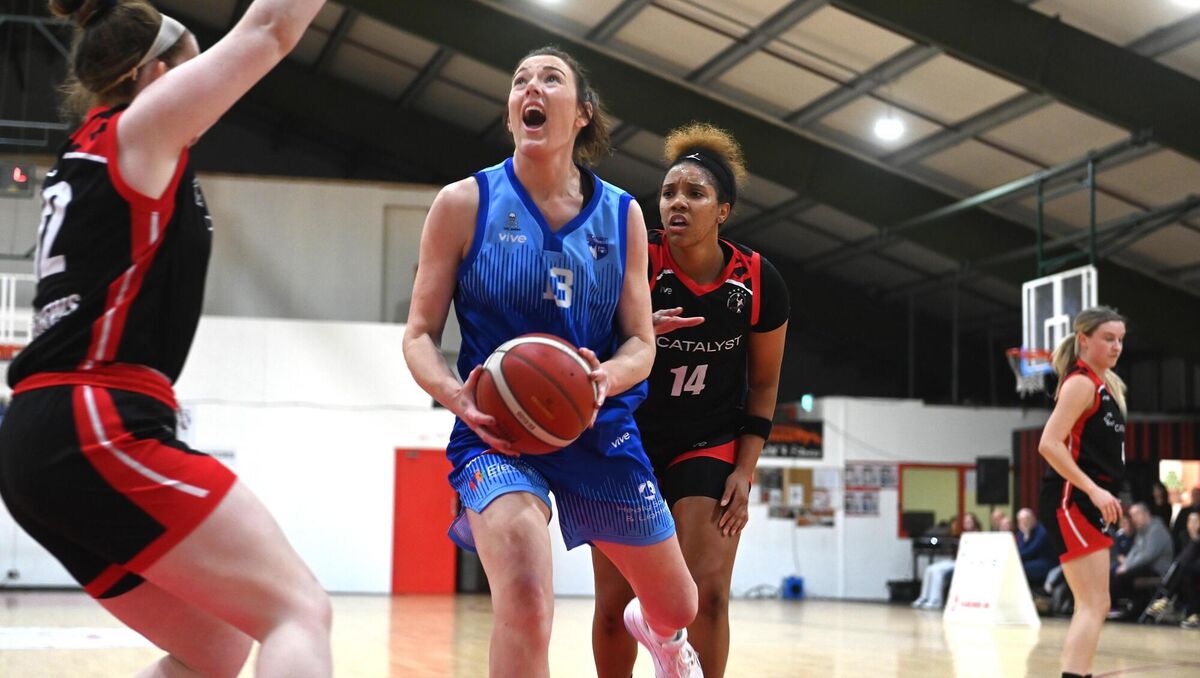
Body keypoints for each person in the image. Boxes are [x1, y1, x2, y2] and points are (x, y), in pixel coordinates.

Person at [0, 2, 332, 676]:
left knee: (215, 648)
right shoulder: (140, 130)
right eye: (193, 67)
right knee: (298, 609)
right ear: (153, 75)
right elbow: (269, 29)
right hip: (93, 418)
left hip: (44, 436)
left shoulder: (95, 149)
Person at [401, 46, 700, 678]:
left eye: (550, 79)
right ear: (512, 112)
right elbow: (419, 335)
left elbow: (641, 343)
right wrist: (455, 396)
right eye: (520, 81)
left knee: (680, 603)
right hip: (497, 431)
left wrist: (604, 377)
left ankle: (661, 634)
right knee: (527, 600)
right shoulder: (463, 203)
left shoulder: (622, 214)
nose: (531, 88)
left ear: (583, 113)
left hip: (597, 424)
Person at [589, 123, 789, 678]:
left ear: (723, 211)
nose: (677, 202)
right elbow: (588, 349)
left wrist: (745, 471)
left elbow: (764, 384)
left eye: (695, 194)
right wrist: (635, 334)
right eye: (669, 192)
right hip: (627, 436)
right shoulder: (635, 260)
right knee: (615, 604)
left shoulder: (759, 281)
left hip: (709, 439)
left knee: (709, 595)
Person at [1037, 306, 1127, 678]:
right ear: (1084, 340)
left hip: (1088, 500)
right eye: (1108, 338)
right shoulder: (1081, 383)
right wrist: (1093, 490)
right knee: (1092, 603)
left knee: (1095, 603)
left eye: (1120, 339)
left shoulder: (1105, 385)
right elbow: (1048, 444)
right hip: (1070, 499)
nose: (1116, 346)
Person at [1111, 502, 1173, 612]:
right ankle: (1119, 607)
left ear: (1146, 513)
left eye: (1136, 514)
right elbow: (1134, 550)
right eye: (1132, 516)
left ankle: (1115, 606)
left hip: (1157, 570)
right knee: (1114, 570)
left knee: (1123, 576)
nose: (1134, 519)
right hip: (1145, 567)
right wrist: (1126, 564)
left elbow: (1148, 555)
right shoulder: (1142, 530)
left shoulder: (1156, 529)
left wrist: (1127, 566)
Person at [911, 513, 980, 609]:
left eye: (969, 521)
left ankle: (936, 600)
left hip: (966, 563)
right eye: (965, 521)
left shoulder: (976, 534)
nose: (966, 523)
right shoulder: (958, 533)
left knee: (938, 572)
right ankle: (924, 597)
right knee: (930, 569)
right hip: (954, 560)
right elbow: (942, 542)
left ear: (974, 523)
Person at [1017, 508, 1057, 587]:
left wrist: (1026, 537)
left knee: (1020, 569)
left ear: (1033, 518)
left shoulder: (1042, 530)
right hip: (1031, 561)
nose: (1024, 522)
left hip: (1047, 562)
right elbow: (1021, 550)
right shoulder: (1021, 533)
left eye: (1027, 519)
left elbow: (1031, 551)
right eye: (1021, 521)